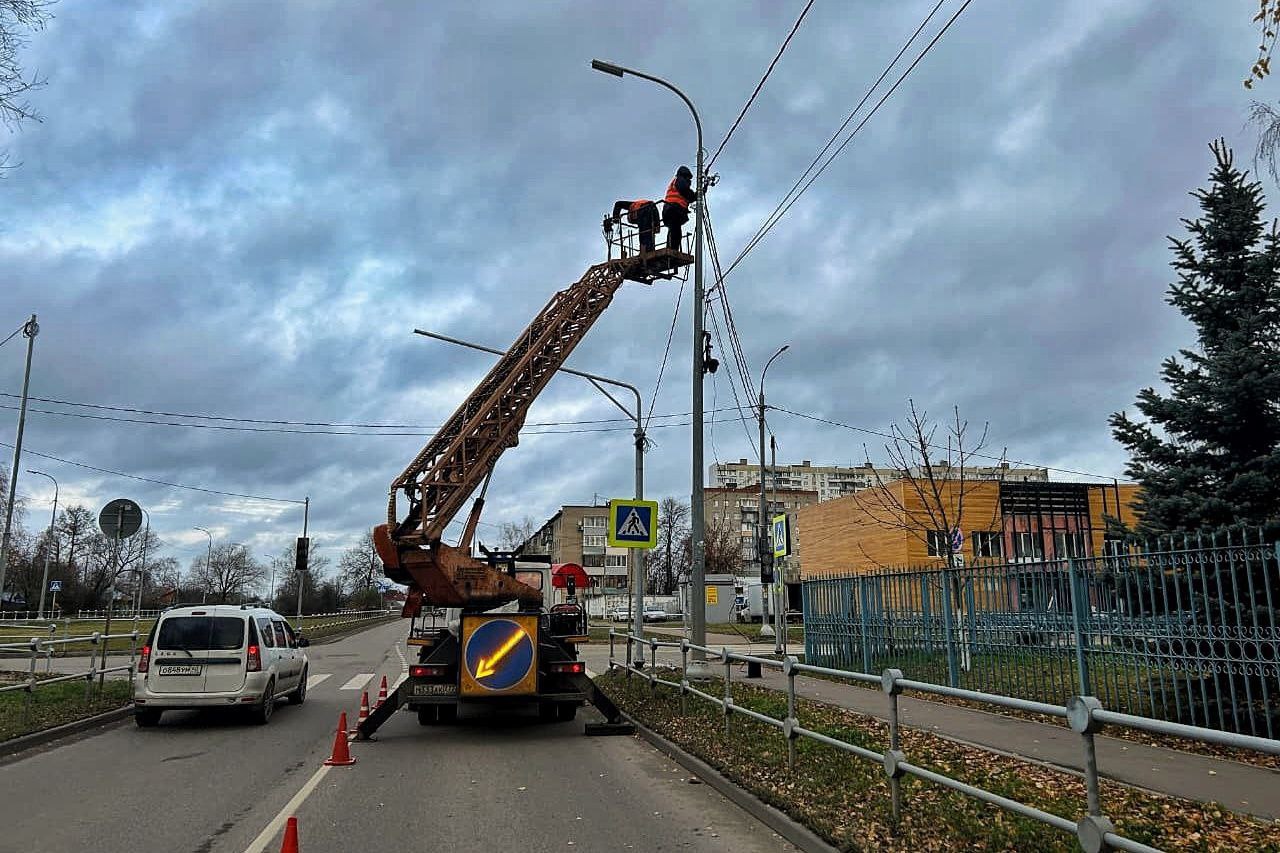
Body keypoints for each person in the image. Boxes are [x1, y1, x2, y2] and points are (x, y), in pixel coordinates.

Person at [662, 165, 697, 251]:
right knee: (675, 232)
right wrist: (696, 194)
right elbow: (686, 192)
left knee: (674, 230)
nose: (689, 180)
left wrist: (697, 194)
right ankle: (672, 249)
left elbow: (688, 196)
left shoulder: (677, 181)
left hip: (671, 209)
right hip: (673, 209)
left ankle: (671, 249)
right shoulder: (680, 180)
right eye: (688, 178)